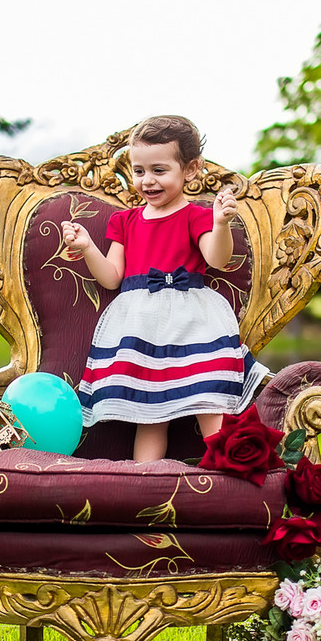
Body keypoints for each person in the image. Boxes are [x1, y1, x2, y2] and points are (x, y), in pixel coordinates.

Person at [61, 115, 269, 462]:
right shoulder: (123, 221)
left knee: (210, 397)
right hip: (141, 325)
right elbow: (112, 277)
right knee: (149, 411)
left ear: (190, 169)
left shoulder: (197, 216)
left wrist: (221, 224)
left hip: (192, 322)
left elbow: (216, 259)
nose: (147, 181)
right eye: (139, 171)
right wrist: (86, 247)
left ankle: (228, 474)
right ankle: (146, 482)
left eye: (159, 170)